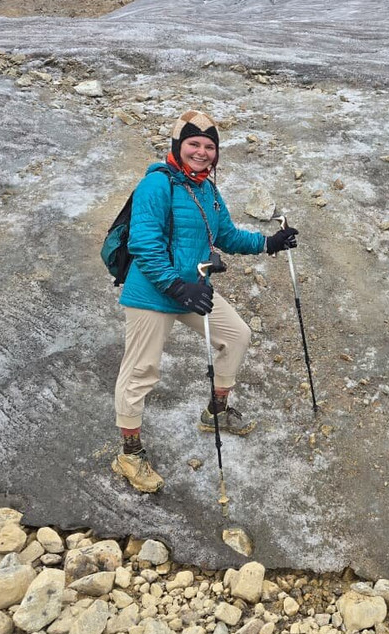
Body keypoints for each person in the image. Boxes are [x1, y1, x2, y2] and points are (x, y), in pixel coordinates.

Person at [112, 110, 299, 493]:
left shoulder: (206, 190)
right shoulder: (156, 186)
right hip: (152, 292)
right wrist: (177, 288)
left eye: (209, 146)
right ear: (178, 146)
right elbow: (144, 245)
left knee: (238, 335)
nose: (201, 152)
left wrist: (268, 243)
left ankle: (216, 412)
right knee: (141, 371)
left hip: (192, 290)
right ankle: (129, 453)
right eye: (194, 144)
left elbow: (226, 235)